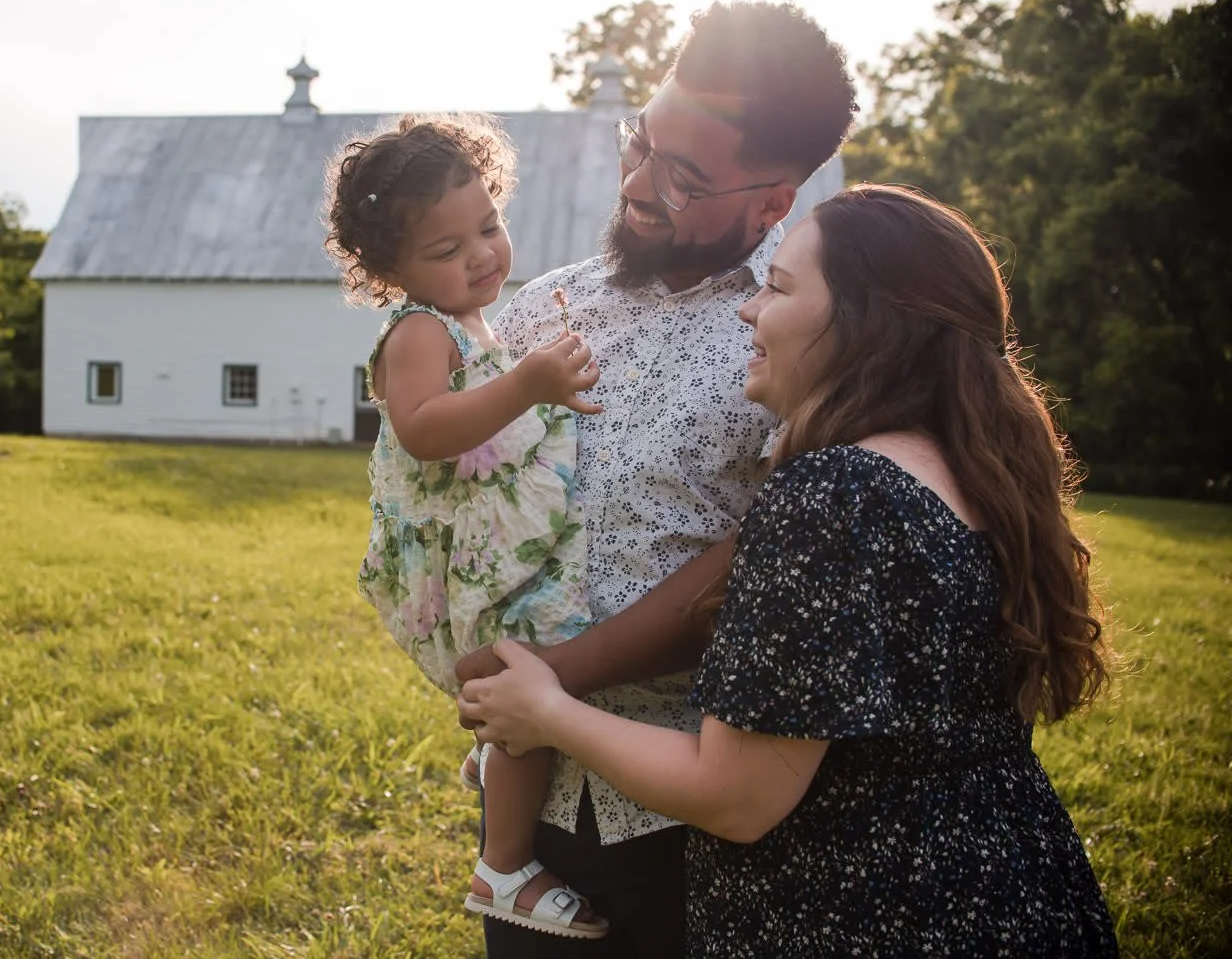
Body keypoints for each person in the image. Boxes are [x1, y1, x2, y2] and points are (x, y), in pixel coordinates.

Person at [459, 184, 1120, 957]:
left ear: (865, 318)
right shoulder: (978, 475)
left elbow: (738, 796)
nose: (749, 310)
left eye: (778, 288)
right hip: (1013, 886)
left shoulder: (831, 493)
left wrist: (546, 710)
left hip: (870, 913)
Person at [454, 0, 859, 957]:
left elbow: (768, 563)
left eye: (684, 176)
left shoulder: (799, 335)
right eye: (641, 144)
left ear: (774, 202)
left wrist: (545, 677)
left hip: (693, 808)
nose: (638, 184)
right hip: (529, 800)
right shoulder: (542, 304)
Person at [323, 113, 612, 939]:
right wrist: (526, 383)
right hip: (468, 561)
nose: (481, 254)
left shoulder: (478, 318)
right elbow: (423, 426)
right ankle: (506, 866)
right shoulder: (420, 329)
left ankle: (496, 757)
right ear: (391, 268)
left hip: (496, 546)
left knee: (524, 676)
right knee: (529, 675)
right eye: (447, 251)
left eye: (488, 226)